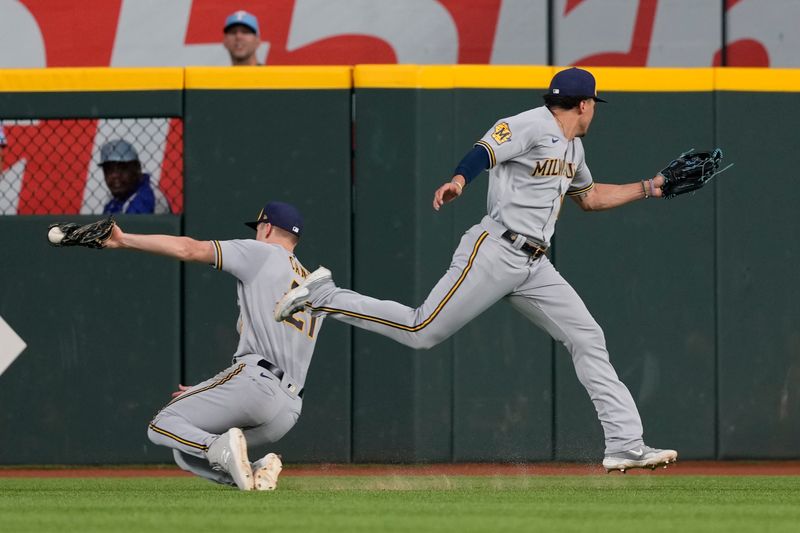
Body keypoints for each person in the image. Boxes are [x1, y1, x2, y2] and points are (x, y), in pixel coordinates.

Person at [276, 67, 678, 473]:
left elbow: (589, 198)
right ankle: (323, 297)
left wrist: (650, 186)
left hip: (536, 265)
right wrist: (458, 180)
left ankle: (626, 443)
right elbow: (484, 151)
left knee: (588, 338)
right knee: (421, 330)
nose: (594, 112)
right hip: (495, 250)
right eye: (594, 105)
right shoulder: (531, 124)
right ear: (586, 104)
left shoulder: (574, 149)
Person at [103, 201, 319, 490]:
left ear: (267, 228)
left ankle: (221, 448)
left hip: (257, 385)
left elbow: (188, 249)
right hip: (288, 410)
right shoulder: (310, 284)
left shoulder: (262, 252)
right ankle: (259, 471)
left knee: (163, 423)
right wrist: (211, 392)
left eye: (258, 228)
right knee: (186, 449)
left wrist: (123, 239)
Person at [99, 139, 170, 215]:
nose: (115, 175)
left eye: (122, 168)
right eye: (109, 170)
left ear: (137, 168)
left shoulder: (147, 197)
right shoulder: (114, 199)